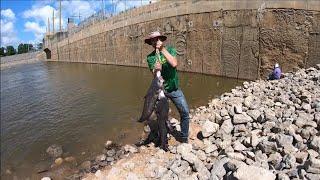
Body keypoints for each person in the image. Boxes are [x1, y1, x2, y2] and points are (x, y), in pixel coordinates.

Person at [144, 31, 190, 143]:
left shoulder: (170, 50)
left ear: (161, 40)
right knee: (160, 116)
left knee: (185, 112)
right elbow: (155, 75)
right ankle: (161, 136)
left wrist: (162, 50)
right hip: (160, 92)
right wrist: (156, 69)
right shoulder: (150, 57)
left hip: (174, 88)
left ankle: (184, 138)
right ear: (151, 43)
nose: (155, 42)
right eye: (153, 40)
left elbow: (174, 64)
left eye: (157, 39)